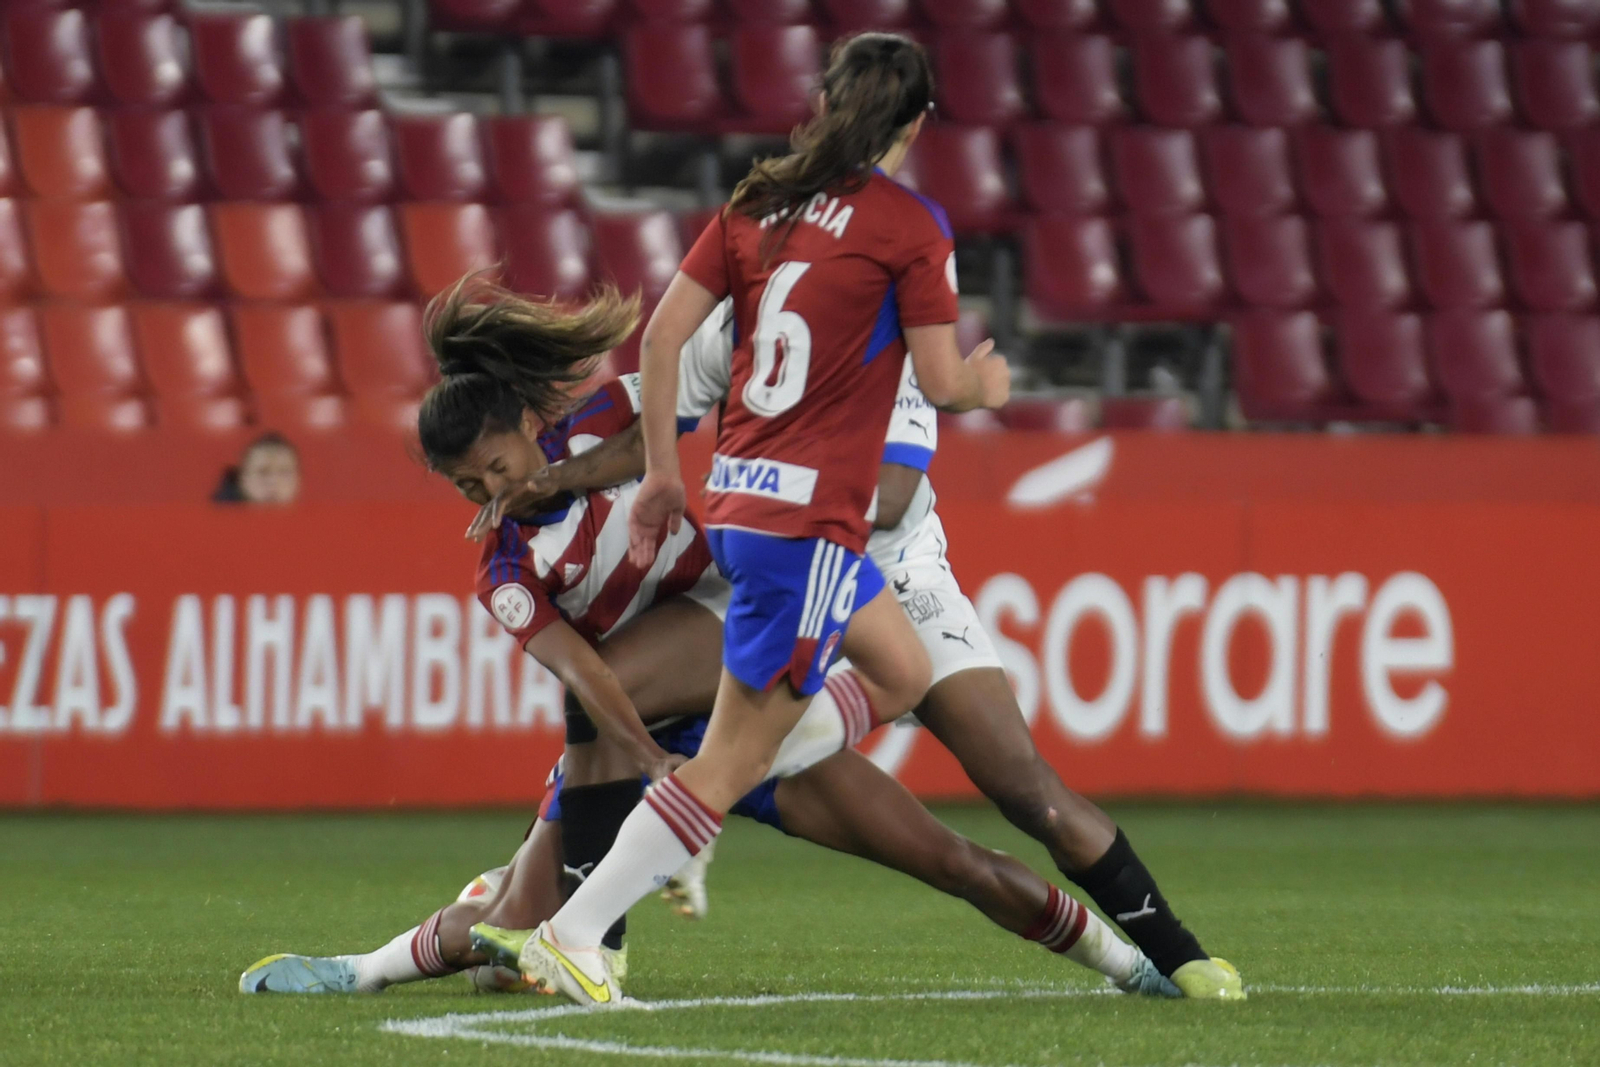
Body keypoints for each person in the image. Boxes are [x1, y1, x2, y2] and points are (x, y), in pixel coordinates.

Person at [467, 301, 1247, 1002]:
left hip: (892, 572)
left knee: (1024, 790)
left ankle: (1175, 960)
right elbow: (650, 434)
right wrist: (555, 479)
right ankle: (589, 932)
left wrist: (769, 490)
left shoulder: (884, 341)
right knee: (606, 691)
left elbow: (893, 496)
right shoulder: (734, 330)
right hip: (786, 563)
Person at [508, 31, 1010, 1005]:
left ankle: (743, 763)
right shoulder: (911, 225)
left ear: (824, 98)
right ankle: (572, 931)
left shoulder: (755, 198)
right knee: (728, 761)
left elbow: (659, 338)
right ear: (916, 123)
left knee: (901, 668)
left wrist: (662, 473)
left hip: (740, 503)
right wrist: (985, 383)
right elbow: (942, 380)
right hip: (813, 518)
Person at [211, 432, 300, 505]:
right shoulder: (214, 521)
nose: (273, 481)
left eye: (284, 472)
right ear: (243, 479)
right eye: (263, 472)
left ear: (298, 481)